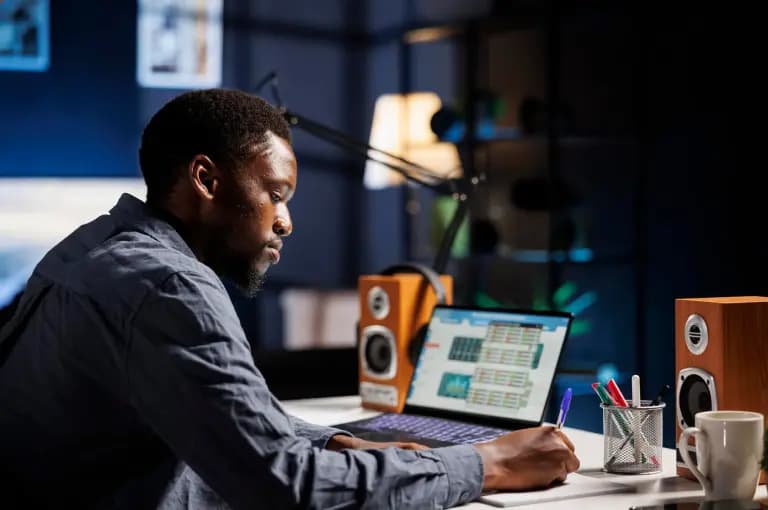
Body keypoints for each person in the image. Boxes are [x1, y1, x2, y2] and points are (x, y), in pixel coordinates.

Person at [0, 89, 579, 509]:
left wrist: (339, 440)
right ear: (206, 180)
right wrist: (489, 463)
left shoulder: (89, 249)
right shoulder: (171, 287)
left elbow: (230, 422)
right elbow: (290, 487)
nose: (287, 222)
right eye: (276, 194)